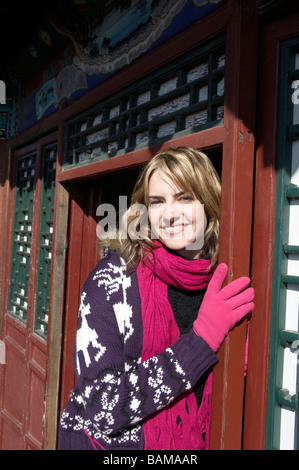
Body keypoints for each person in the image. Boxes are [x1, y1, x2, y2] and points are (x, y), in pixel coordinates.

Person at [59, 146, 254, 450]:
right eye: (157, 202)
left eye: (185, 197)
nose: (170, 214)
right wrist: (200, 342)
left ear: (210, 203)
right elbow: (101, 408)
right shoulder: (112, 280)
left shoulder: (226, 276)